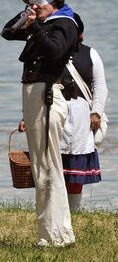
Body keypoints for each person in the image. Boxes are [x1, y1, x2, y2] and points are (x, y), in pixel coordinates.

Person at [2, 0, 78, 247]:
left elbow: (54, 52)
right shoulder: (42, 26)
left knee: (47, 165)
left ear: (54, 4)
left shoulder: (65, 24)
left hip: (47, 94)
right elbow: (7, 32)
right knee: (42, 165)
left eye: (39, 4)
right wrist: (26, 17)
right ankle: (57, 232)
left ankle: (53, 235)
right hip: (34, 95)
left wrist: (34, 26)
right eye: (30, 4)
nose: (35, 8)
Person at [59, 13, 107, 211]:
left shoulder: (90, 54)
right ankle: (58, 210)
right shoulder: (51, 54)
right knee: (55, 167)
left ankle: (74, 212)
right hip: (57, 113)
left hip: (81, 116)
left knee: (75, 170)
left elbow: (100, 85)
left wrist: (96, 112)